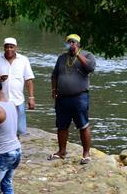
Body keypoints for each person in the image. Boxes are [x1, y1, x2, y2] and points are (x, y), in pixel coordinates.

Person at [49, 34, 96, 165]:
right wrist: (54, 89)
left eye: (73, 42)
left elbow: (90, 68)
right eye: (69, 42)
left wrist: (77, 55)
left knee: (83, 125)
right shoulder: (62, 58)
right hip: (62, 98)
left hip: (79, 97)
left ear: (79, 44)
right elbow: (54, 75)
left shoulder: (87, 55)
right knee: (61, 125)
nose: (71, 44)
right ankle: (61, 151)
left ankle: (86, 154)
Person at [0, 37, 35, 135]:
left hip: (18, 100)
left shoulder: (23, 60)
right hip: (1, 100)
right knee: (2, 127)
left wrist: (31, 97)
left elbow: (29, 79)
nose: (9, 49)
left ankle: (16, 144)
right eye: (7, 47)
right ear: (3, 48)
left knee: (21, 130)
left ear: (16, 48)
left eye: (11, 47)